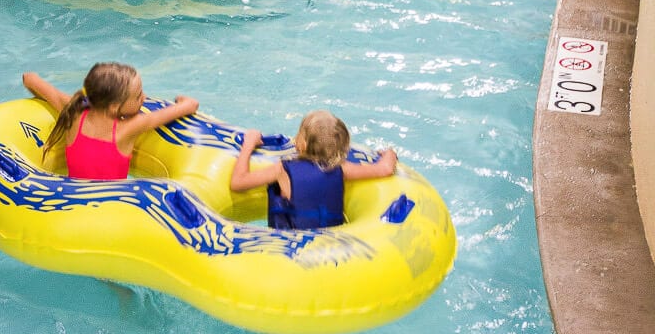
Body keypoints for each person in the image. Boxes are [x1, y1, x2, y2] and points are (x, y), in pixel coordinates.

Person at [22, 62, 199, 180]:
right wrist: (186, 102)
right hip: (110, 212)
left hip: (72, 201)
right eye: (138, 96)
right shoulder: (129, 128)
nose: (144, 98)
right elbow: (185, 107)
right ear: (114, 107)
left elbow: (29, 79)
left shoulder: (74, 112)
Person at [229, 111, 398, 230]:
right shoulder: (342, 169)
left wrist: (248, 144)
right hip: (330, 247)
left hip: (290, 249)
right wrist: (389, 153)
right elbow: (385, 169)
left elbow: (238, 182)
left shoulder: (283, 170)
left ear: (301, 144)